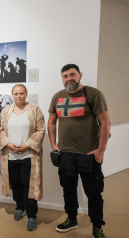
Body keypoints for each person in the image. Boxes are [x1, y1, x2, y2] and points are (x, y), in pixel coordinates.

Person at [48, 64, 110, 238]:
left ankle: (97, 226)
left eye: (72, 75)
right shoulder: (57, 97)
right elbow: (52, 121)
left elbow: (105, 122)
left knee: (94, 194)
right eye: (65, 76)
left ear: (80, 75)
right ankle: (71, 218)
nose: (69, 79)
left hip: (88, 155)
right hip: (66, 154)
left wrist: (101, 150)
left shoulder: (93, 94)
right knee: (68, 190)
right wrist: (53, 143)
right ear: (62, 78)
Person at [0, 84, 45, 231]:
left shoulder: (34, 109)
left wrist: (27, 145)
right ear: (13, 95)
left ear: (26, 94)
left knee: (28, 185)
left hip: (28, 156)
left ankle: (32, 215)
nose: (19, 96)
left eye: (22, 93)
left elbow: (41, 130)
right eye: (16, 93)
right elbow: (1, 131)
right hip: (10, 156)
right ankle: (20, 207)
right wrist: (8, 145)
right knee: (16, 183)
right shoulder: (6, 111)